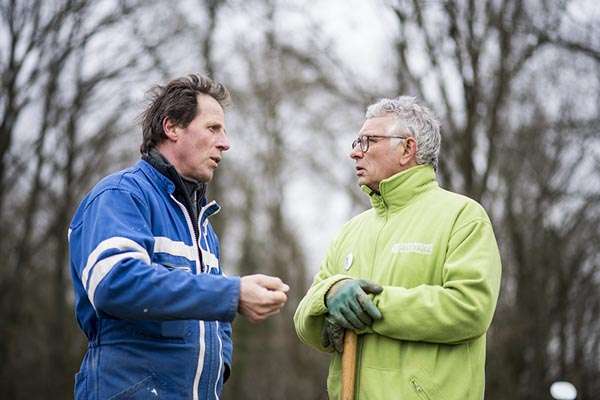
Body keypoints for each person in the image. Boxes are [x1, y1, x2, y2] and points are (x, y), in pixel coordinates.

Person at [68, 74, 289, 400]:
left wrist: (220, 363)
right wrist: (233, 292)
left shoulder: (205, 226)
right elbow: (114, 282)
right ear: (172, 128)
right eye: (213, 128)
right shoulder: (121, 195)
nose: (225, 143)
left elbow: (211, 322)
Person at [294, 96, 501, 400]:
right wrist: (330, 294)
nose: (354, 152)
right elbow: (304, 321)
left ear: (407, 148)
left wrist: (370, 307)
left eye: (367, 141)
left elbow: (470, 309)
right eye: (357, 141)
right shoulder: (352, 231)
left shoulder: (463, 217)